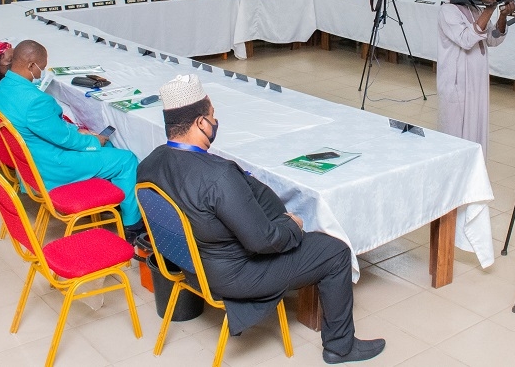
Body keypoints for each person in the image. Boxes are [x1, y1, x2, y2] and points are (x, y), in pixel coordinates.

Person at [137, 75, 386, 365]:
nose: (215, 122)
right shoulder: (218, 176)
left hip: (189, 266)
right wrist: (293, 226)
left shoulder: (150, 163)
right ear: (201, 124)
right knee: (335, 251)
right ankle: (340, 348)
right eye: (212, 116)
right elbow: (264, 241)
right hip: (233, 277)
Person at [0, 40, 142, 232]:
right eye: (41, 68)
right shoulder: (35, 101)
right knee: (126, 160)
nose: (41, 73)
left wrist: (78, 133)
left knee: (108, 148)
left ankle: (109, 201)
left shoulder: (3, 87)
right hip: (53, 167)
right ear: (31, 65)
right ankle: (132, 225)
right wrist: (93, 140)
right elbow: (64, 139)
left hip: (30, 163)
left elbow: (50, 130)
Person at [437, 0, 513, 156]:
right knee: (455, 135)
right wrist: (489, 8)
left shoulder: (474, 8)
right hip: (458, 83)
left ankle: (473, 173)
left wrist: (502, 15)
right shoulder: (447, 10)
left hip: (476, 82)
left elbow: (493, 39)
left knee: (476, 129)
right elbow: (467, 39)